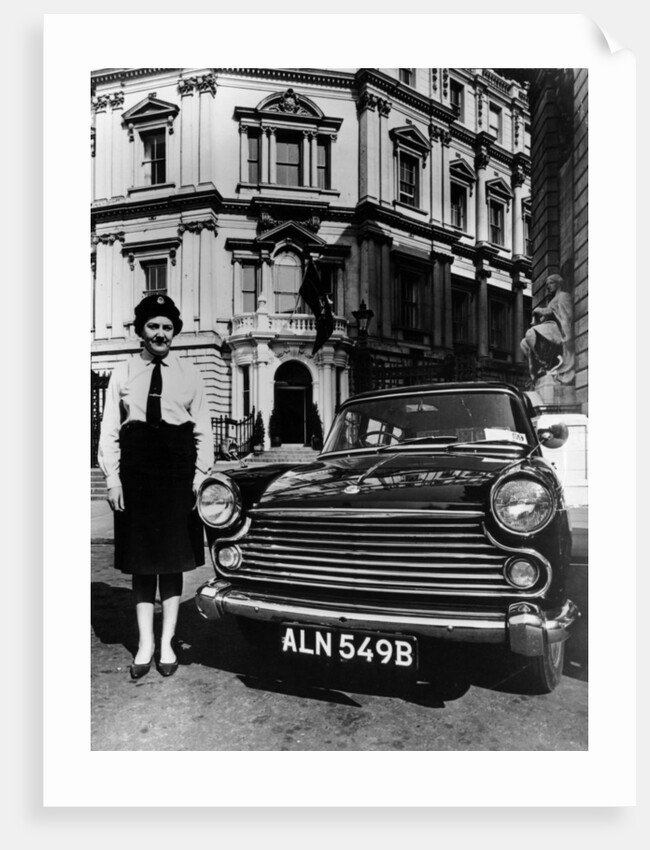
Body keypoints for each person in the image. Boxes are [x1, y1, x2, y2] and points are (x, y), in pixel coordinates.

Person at [98, 294, 213, 679]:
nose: (161, 333)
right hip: (138, 475)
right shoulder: (123, 371)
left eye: (167, 327)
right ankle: (145, 642)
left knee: (173, 561)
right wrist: (112, 479)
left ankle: (167, 642)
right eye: (153, 326)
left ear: (174, 332)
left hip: (178, 477)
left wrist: (199, 479)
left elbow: (203, 433)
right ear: (140, 332)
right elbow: (109, 430)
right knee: (142, 564)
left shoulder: (190, 373)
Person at [520, 273, 575, 385]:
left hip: (559, 330)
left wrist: (541, 310)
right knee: (524, 343)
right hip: (550, 329)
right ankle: (542, 366)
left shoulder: (564, 296)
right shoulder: (553, 299)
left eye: (550, 283)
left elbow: (566, 315)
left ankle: (545, 364)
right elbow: (547, 316)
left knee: (530, 333)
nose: (548, 287)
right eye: (547, 284)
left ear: (558, 283)